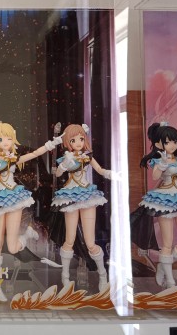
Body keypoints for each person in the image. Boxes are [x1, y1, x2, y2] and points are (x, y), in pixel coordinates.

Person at [0, 121, 61, 301]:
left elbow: (34, 154)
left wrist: (50, 145)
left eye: (8, 138)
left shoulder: (14, 158)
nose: (5, 142)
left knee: (13, 247)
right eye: (0, 139)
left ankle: (26, 234)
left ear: (13, 138)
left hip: (14, 197)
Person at [131, 122, 177, 288]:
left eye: (174, 141)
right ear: (158, 144)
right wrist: (162, 165)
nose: (172, 145)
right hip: (165, 200)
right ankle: (170, 281)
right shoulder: (158, 160)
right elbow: (155, 176)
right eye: (168, 142)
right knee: (167, 244)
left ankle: (163, 266)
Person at [51, 124, 113, 292]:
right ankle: (65, 276)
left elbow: (99, 170)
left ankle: (102, 273)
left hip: (86, 194)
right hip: (70, 195)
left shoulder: (87, 156)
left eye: (81, 138)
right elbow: (57, 174)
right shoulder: (66, 157)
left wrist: (111, 174)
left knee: (90, 242)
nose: (78, 142)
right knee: (69, 239)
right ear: (68, 142)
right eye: (73, 140)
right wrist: (64, 165)